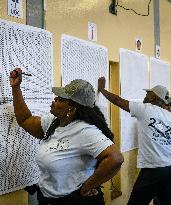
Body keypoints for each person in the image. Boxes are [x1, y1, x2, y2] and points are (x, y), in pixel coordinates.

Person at [9, 68, 124, 205]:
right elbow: (26, 120)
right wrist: (16, 87)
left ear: (71, 108)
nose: (55, 99)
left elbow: (115, 158)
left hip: (75, 201)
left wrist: (88, 186)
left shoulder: (85, 131)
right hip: (48, 200)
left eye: (60, 99)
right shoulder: (54, 122)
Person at [98, 77, 171, 205]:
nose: (145, 96)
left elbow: (118, 100)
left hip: (154, 169)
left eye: (148, 94)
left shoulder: (145, 109)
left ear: (153, 97)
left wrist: (102, 90)